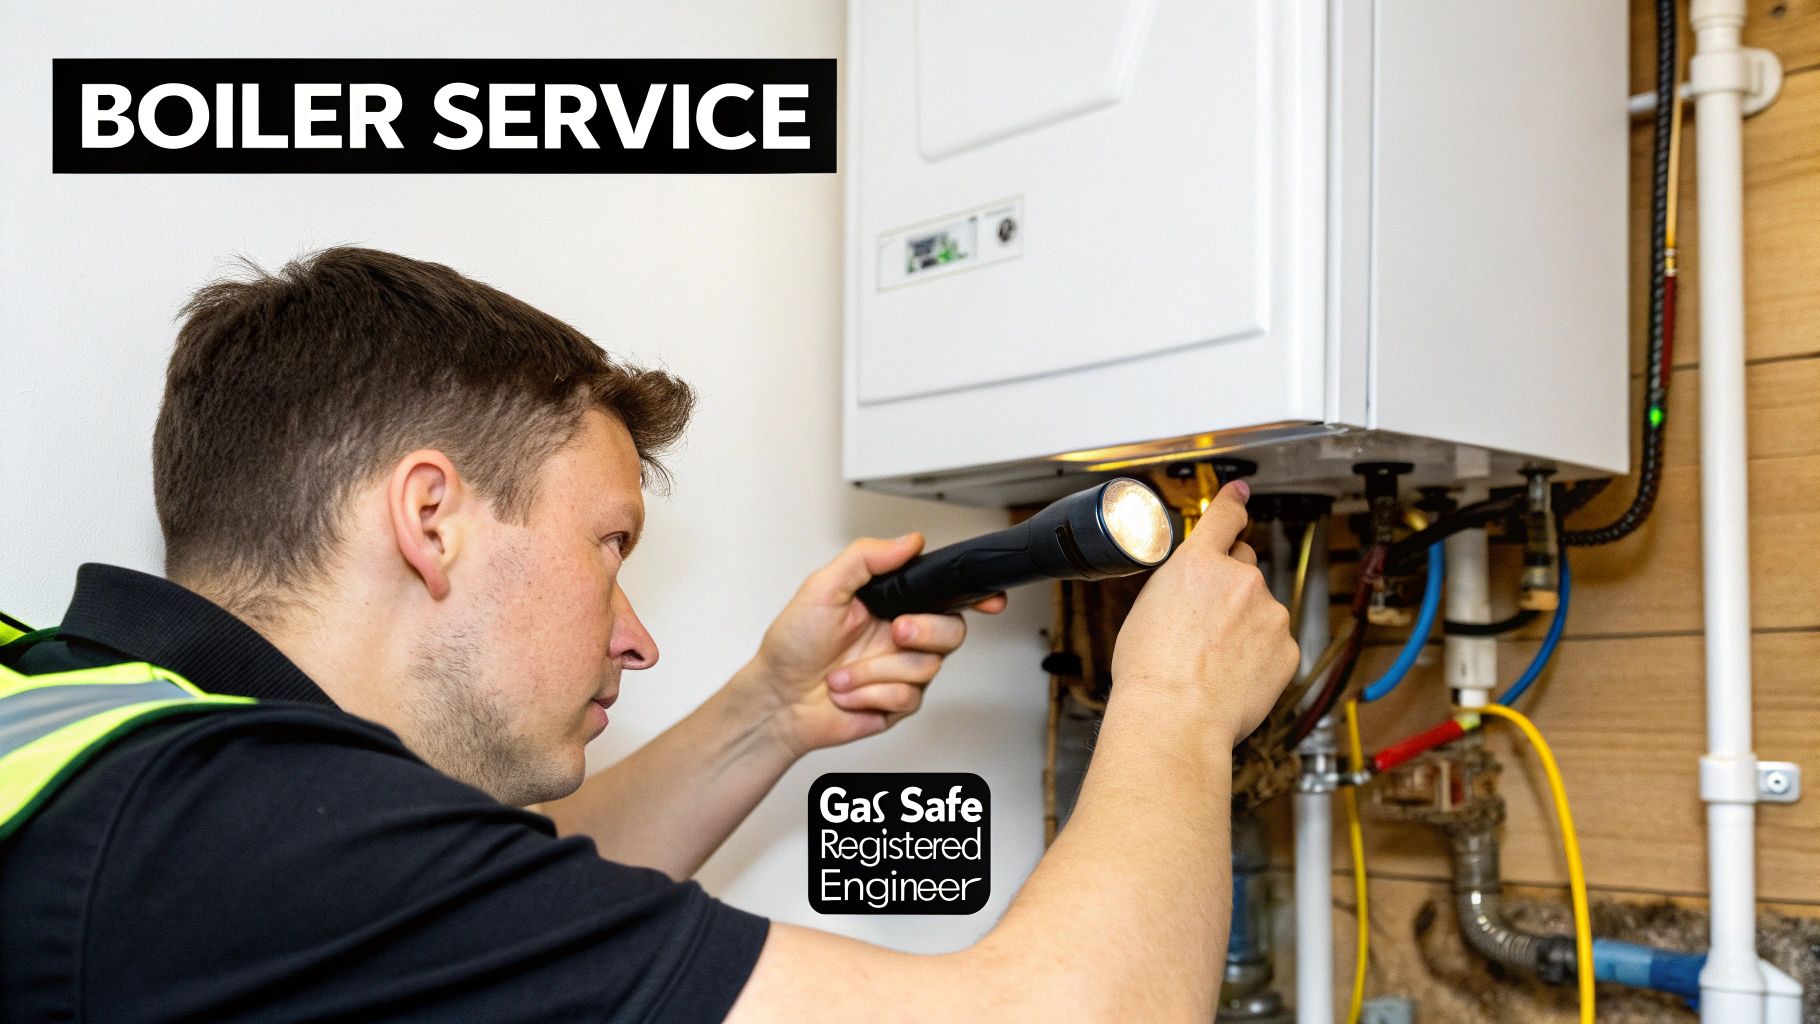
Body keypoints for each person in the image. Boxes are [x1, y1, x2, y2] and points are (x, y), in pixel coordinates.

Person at [0, 247, 1299, 1022]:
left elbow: (463, 901)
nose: (636, 637)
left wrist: (771, 713)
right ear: (432, 518)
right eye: (608, 546)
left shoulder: (100, 732)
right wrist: (1175, 702)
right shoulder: (236, 841)